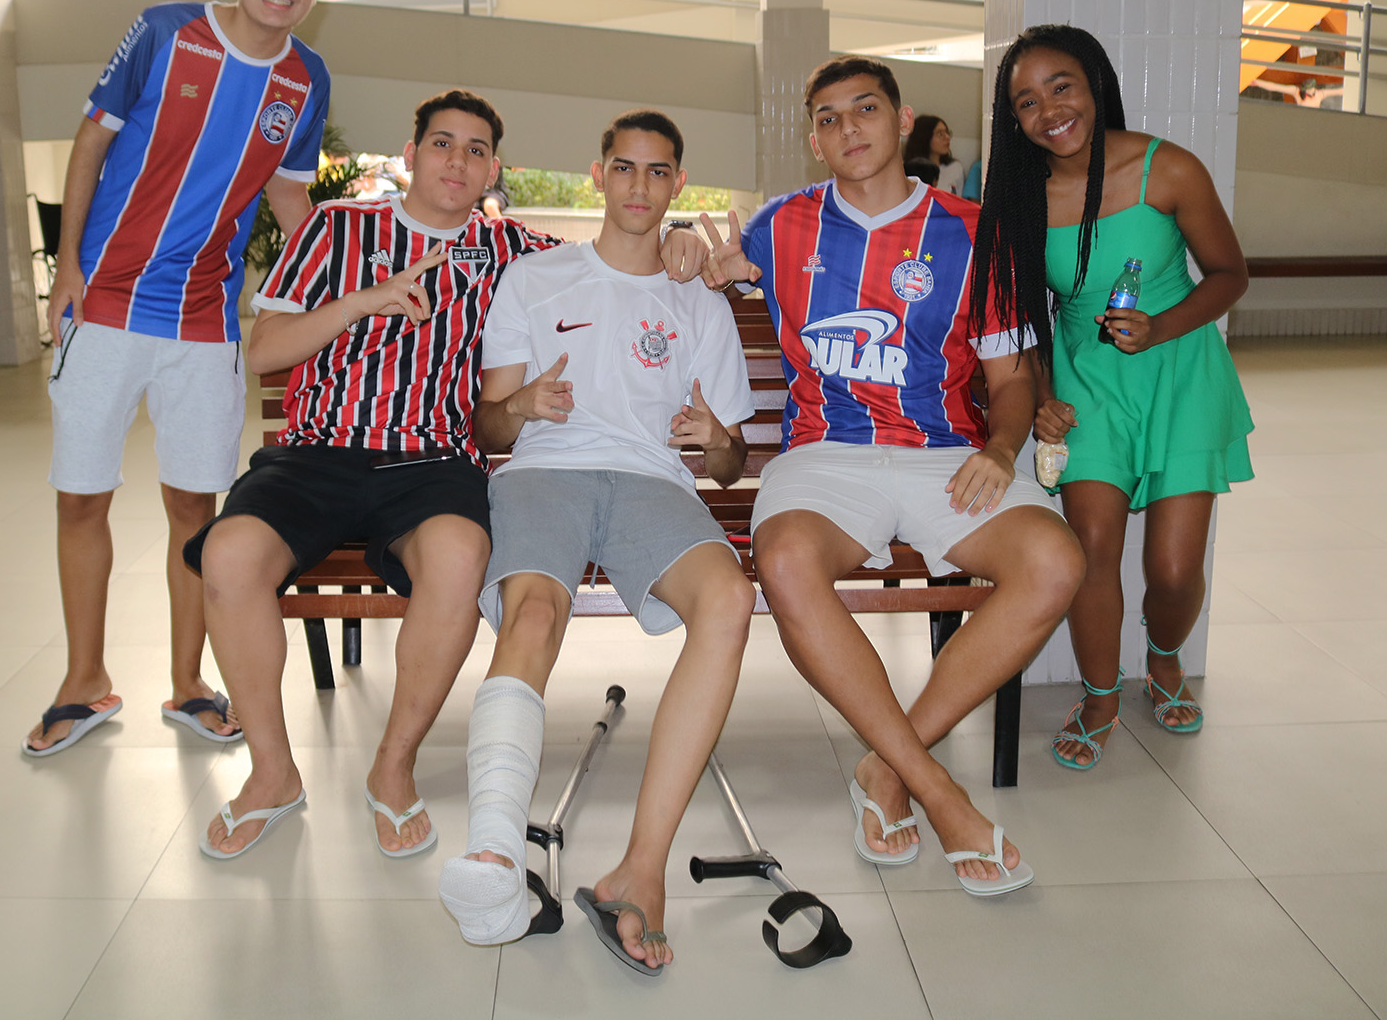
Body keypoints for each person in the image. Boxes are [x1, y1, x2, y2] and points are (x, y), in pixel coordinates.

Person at [185, 91, 710, 859]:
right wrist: (366, 302)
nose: (457, 161)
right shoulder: (336, 228)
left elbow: (615, 246)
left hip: (433, 460)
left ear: (493, 170)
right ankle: (272, 774)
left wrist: (682, 238)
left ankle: (393, 765)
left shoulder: (507, 249)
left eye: (476, 150)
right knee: (228, 555)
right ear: (411, 155)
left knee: (462, 556)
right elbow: (263, 351)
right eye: (442, 143)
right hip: (317, 451)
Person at [702, 55, 1084, 896]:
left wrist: (1001, 449)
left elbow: (1012, 380)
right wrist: (687, 252)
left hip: (948, 452)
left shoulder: (977, 231)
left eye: (866, 109)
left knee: (1054, 561)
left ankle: (887, 768)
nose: (850, 129)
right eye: (829, 118)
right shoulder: (780, 226)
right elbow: (692, 268)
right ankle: (939, 792)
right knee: (786, 560)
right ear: (814, 140)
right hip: (824, 455)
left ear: (903, 120)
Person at [437, 110, 755, 974]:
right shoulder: (537, 279)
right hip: (547, 470)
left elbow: (731, 463)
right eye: (624, 168)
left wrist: (713, 439)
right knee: (534, 614)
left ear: (677, 184)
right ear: (598, 174)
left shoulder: (699, 298)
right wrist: (521, 406)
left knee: (730, 599)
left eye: (657, 172)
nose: (639, 186)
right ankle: (494, 850)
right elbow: (491, 426)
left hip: (654, 481)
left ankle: (639, 871)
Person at [26, 0, 332, 756]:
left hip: (204, 322)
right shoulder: (166, 32)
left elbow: (290, 197)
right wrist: (68, 266)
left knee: (195, 506)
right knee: (82, 497)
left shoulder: (306, 79)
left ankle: (189, 682)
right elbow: (91, 141)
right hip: (105, 303)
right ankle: (83, 681)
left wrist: (347, 282)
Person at [971, 24, 1253, 770]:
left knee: (1172, 570)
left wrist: (1160, 326)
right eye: (1027, 102)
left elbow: (1230, 275)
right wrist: (1043, 395)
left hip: (1180, 373)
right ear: (1013, 119)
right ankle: (1100, 696)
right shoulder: (1021, 198)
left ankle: (1163, 657)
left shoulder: (1168, 168)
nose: (1049, 111)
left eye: (1061, 86)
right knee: (1092, 551)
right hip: (1084, 383)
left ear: (1095, 83)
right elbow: (1023, 314)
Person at [903, 113, 966, 195]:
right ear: (925, 138)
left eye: (947, 132)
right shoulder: (907, 169)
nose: (947, 137)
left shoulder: (955, 168)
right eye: (940, 134)